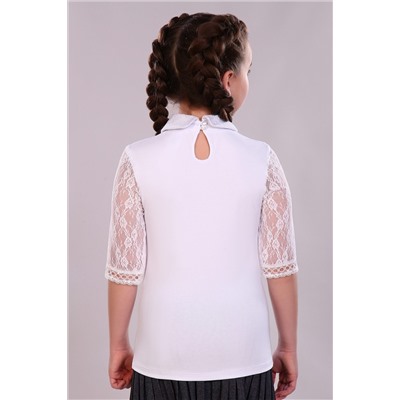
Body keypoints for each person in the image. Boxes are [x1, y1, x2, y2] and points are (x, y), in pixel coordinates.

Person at [105, 12, 299, 400]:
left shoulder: (137, 159)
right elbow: (280, 266)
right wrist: (288, 347)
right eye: (248, 71)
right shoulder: (262, 159)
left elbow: (125, 269)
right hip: (245, 358)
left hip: (161, 360)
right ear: (228, 80)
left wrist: (119, 344)